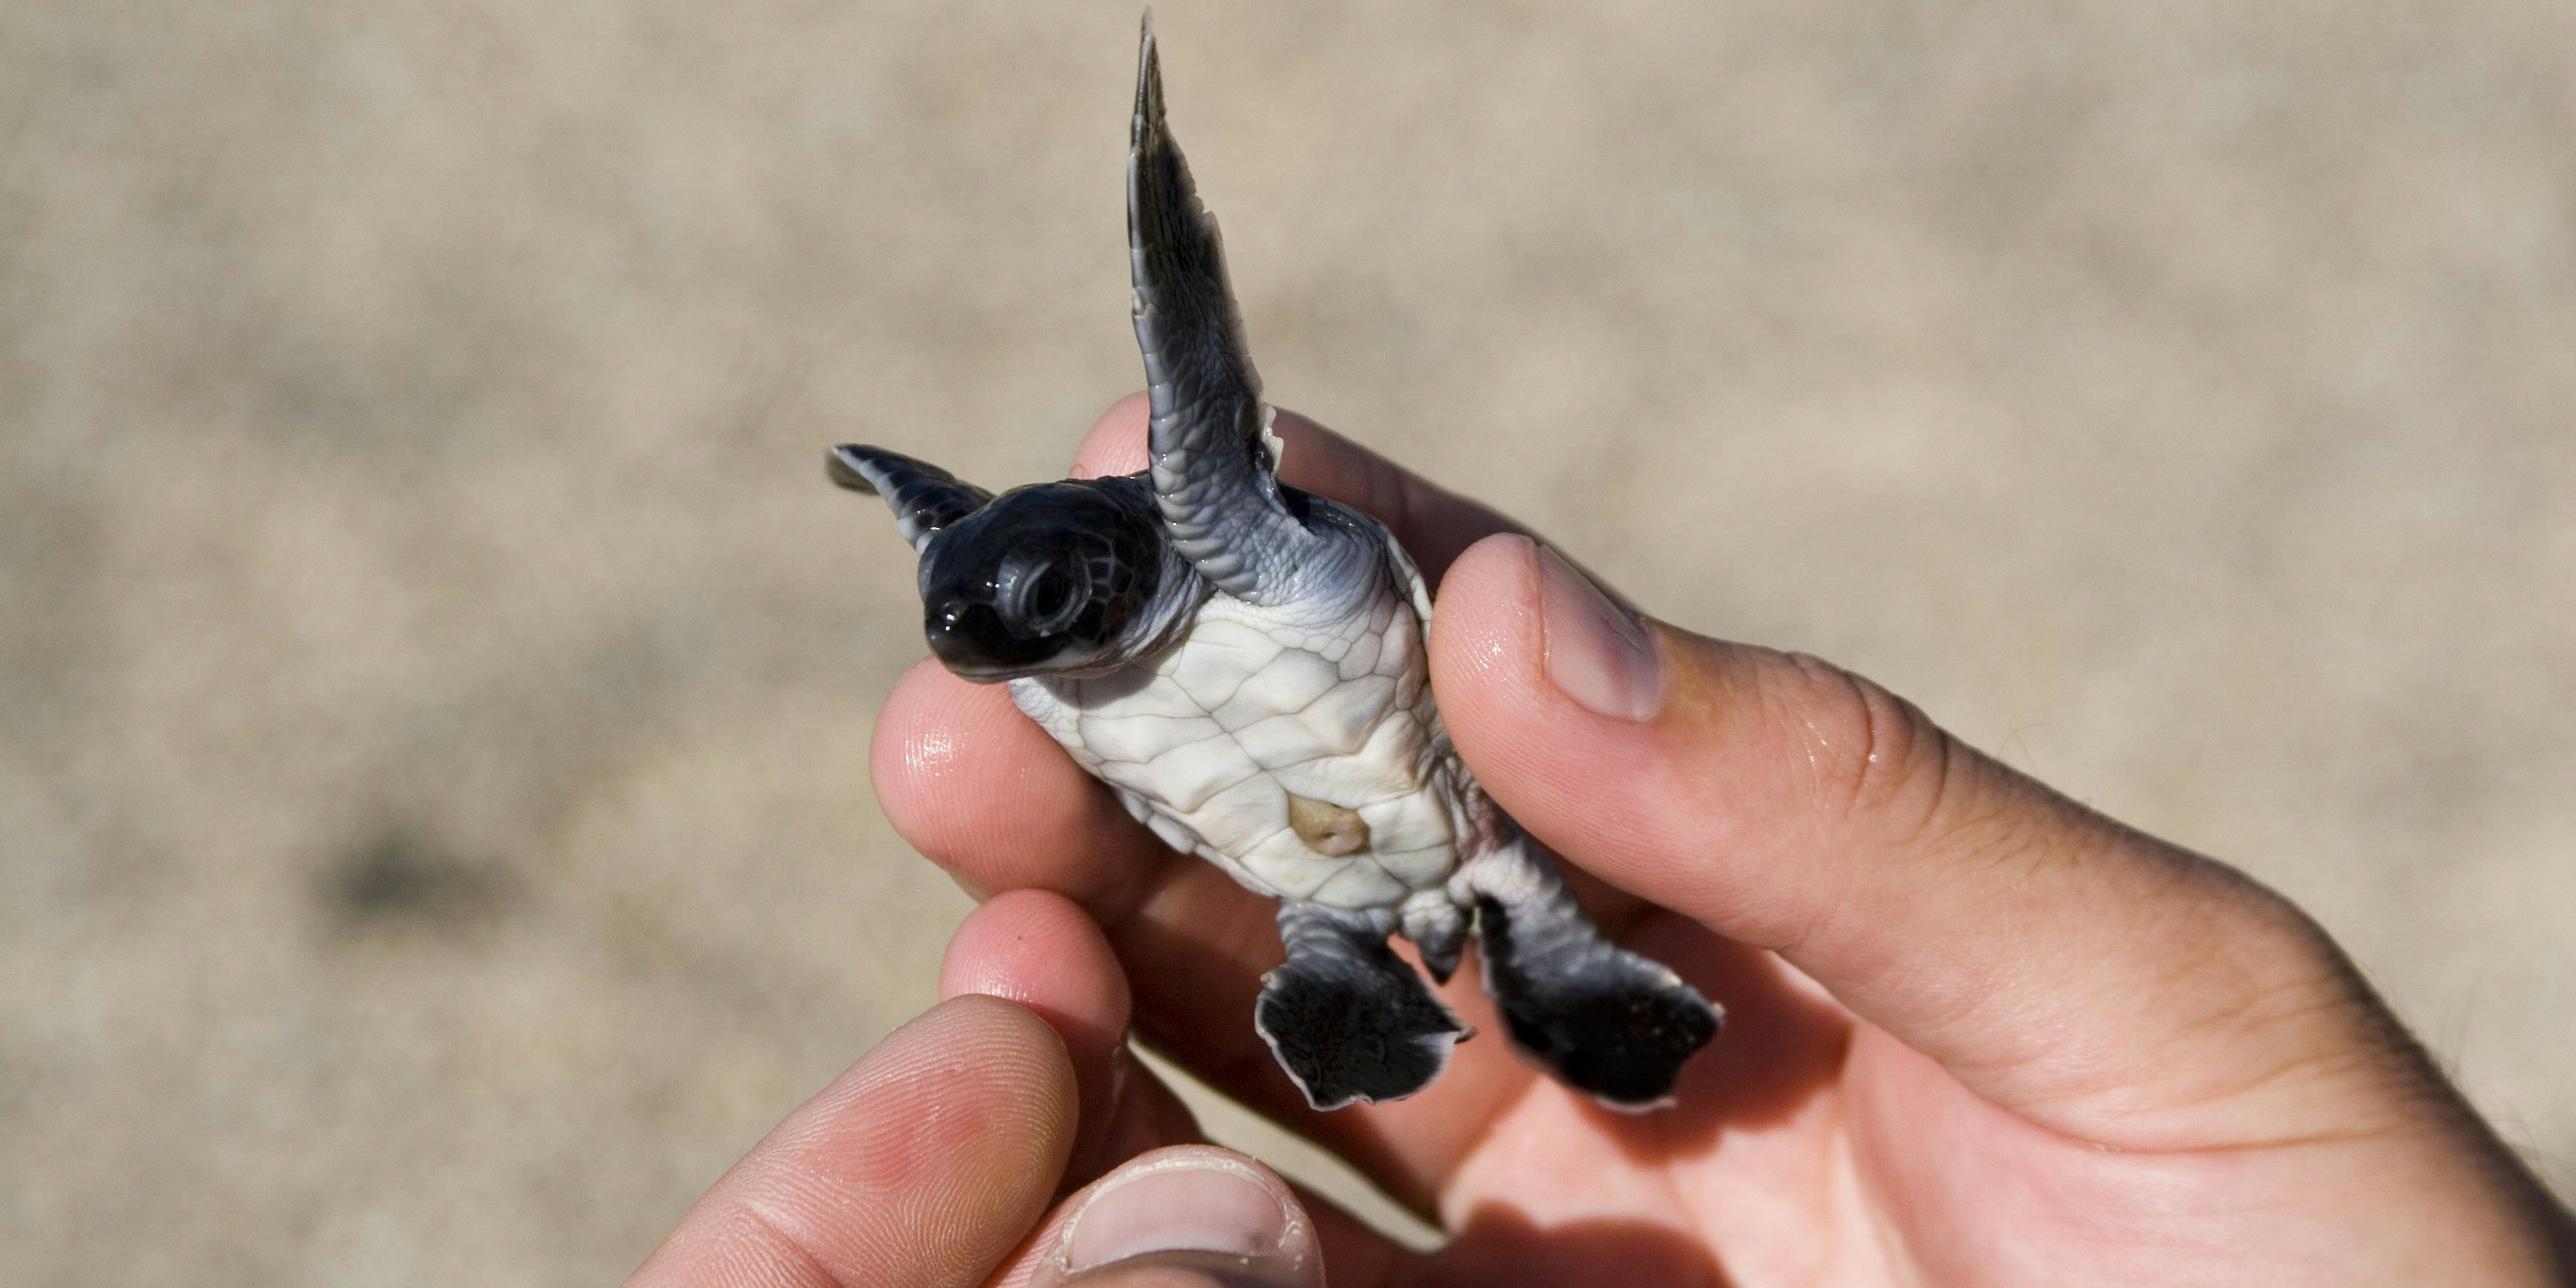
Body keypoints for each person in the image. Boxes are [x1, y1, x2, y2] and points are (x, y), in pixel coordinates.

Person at [629, 397, 2575, 1287]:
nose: (1013, 645)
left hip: (1454, 818)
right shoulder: (1028, 661)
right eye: (975, 633)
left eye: (1028, 607)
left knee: (1497, 894)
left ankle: (1524, 977)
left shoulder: (1227, 534)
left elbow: (1203, 417)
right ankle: (1372, 983)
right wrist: (910, 498)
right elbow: (973, 560)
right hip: (1306, 880)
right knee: (1294, 955)